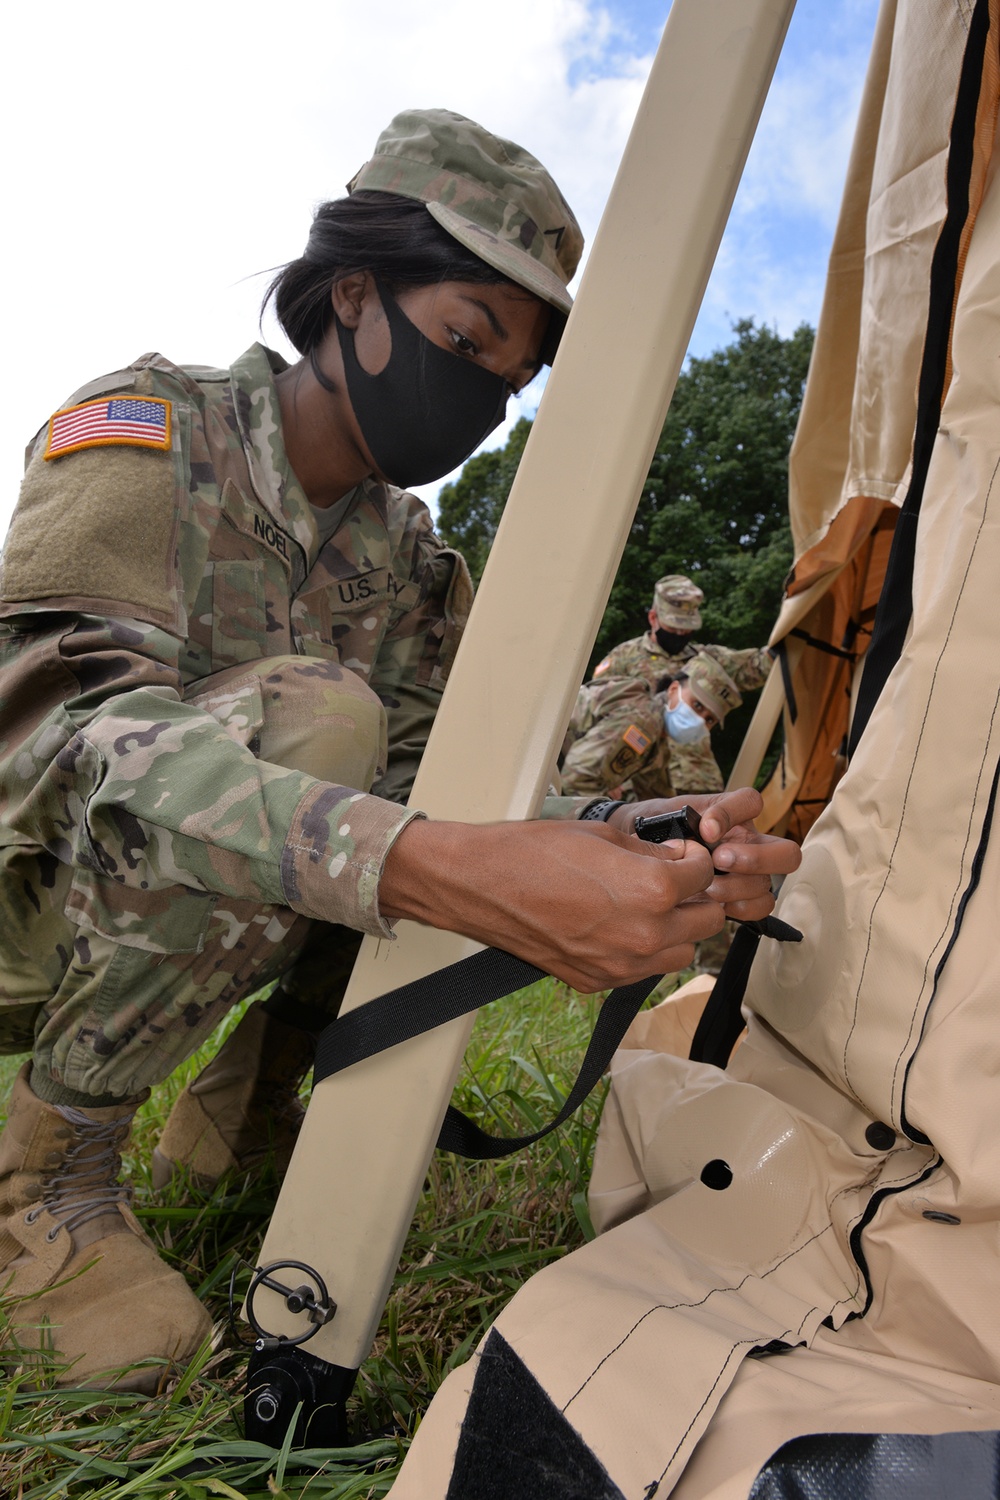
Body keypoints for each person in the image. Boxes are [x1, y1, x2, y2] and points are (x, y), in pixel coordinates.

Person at [0, 108, 799, 1392]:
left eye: (509, 378)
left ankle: (238, 1125)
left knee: (406, 783)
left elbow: (451, 785)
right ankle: (36, 1183)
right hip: (31, 897)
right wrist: (432, 862)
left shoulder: (417, 564)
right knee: (330, 725)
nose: (481, 397)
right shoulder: (150, 430)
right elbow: (60, 736)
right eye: (465, 341)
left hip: (190, 912)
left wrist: (606, 836)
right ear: (353, 294)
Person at [593, 573, 773, 795]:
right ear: (653, 618)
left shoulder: (707, 661)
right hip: (642, 785)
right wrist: (605, 777)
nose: (680, 633)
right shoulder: (623, 659)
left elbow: (756, 667)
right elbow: (596, 716)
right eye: (674, 626)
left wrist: (791, 632)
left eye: (686, 628)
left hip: (700, 784)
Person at [561, 653, 741, 800]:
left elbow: (658, 801)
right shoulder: (643, 722)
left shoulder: (658, 746)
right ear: (673, 689)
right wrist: (607, 817)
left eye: (710, 720)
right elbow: (577, 778)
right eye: (697, 705)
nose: (700, 720)